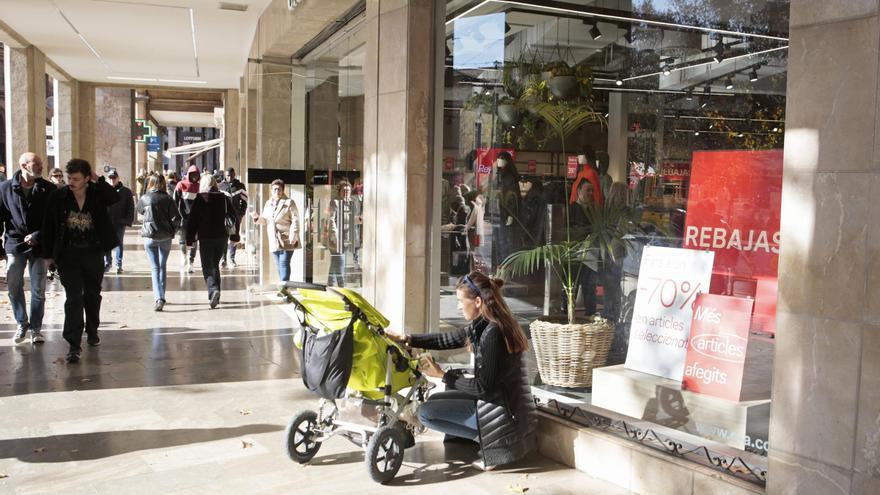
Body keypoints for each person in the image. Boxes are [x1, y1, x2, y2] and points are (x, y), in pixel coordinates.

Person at [388, 272, 537, 471]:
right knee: (433, 400)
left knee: (425, 413)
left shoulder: (492, 334)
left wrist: (442, 375)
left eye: (460, 301)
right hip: (503, 405)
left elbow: (484, 387)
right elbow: (447, 339)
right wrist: (407, 338)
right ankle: (486, 437)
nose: (458, 306)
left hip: (505, 415)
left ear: (477, 301)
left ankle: (494, 443)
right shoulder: (485, 325)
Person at [42, 159, 121, 363]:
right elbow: (49, 226)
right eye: (69, 178)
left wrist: (97, 178)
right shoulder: (59, 196)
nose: (71, 182)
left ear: (87, 178)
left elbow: (114, 197)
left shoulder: (96, 193)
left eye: (76, 178)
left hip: (93, 253)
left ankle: (92, 330)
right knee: (74, 297)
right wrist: (48, 255)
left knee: (93, 295)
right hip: (68, 255)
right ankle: (73, 344)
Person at [0, 152, 57, 344]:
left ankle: (35, 329)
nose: (42, 167)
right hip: (14, 243)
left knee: (38, 289)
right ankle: (21, 322)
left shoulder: (48, 189)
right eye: (37, 163)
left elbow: (53, 220)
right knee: (14, 285)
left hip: (39, 246)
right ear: (24, 166)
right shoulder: (5, 188)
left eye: (41, 164)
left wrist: (38, 235)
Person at [185, 175, 239, 309]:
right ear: (215, 184)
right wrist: (234, 236)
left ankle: (213, 290)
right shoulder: (224, 198)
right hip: (222, 237)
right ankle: (217, 295)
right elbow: (234, 217)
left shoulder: (200, 199)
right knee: (214, 265)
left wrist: (189, 239)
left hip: (206, 237)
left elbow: (192, 221)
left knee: (207, 267)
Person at [137, 174, 181, 311]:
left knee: (155, 268)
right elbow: (177, 219)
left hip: (150, 237)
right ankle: (162, 296)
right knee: (162, 266)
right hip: (166, 237)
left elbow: (139, 216)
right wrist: (173, 230)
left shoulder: (144, 198)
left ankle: (158, 298)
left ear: (150, 183)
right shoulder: (168, 199)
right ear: (162, 184)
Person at [253, 179, 300, 281]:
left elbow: (296, 220)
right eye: (274, 189)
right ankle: (284, 286)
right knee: (279, 265)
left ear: (283, 190)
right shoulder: (268, 203)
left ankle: (284, 288)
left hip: (287, 238)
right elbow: (265, 220)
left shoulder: (289, 202)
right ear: (271, 190)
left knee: (284, 263)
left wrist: (294, 235)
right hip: (274, 239)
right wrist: (257, 218)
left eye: (279, 189)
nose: (276, 191)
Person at [321, 180, 360, 287]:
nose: (346, 192)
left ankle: (330, 285)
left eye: (348, 190)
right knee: (340, 263)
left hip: (347, 238)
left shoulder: (351, 203)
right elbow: (331, 220)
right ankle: (342, 287)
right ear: (339, 192)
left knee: (335, 263)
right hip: (336, 239)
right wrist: (336, 237)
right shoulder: (335, 202)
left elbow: (349, 220)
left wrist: (359, 219)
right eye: (344, 190)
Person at [104, 168, 134, 274]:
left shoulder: (125, 191)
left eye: (114, 178)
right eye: (110, 178)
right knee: (106, 242)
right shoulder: (103, 191)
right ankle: (107, 262)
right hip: (106, 222)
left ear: (118, 178)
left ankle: (118, 264)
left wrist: (127, 220)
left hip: (119, 222)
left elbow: (130, 207)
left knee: (118, 243)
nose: (112, 180)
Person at [173, 165, 201, 273]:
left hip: (196, 219)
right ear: (189, 175)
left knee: (194, 240)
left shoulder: (200, 186)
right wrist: (176, 216)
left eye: (196, 175)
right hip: (183, 218)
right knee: (182, 239)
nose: (194, 177)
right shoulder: (181, 185)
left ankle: (191, 261)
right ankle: (183, 255)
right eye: (192, 175)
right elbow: (175, 201)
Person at [219, 168, 248, 268]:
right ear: (225, 176)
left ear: (234, 174)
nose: (229, 177)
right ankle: (223, 259)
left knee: (234, 237)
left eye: (231, 175)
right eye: (227, 175)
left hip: (236, 216)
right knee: (223, 237)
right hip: (224, 216)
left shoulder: (240, 186)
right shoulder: (220, 186)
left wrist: (241, 214)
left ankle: (232, 258)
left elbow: (244, 201)